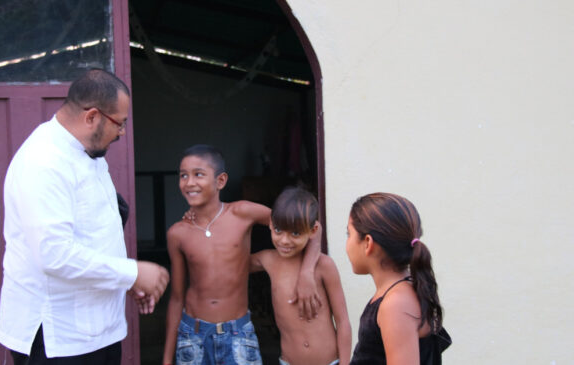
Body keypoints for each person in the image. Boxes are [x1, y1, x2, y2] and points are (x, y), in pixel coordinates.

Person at [0, 69, 170, 364]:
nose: (123, 132)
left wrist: (124, 281)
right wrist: (132, 272)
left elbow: (94, 233)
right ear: (91, 117)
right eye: (120, 123)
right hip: (58, 336)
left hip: (96, 330)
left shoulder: (87, 151)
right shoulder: (44, 162)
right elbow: (55, 254)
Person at [162, 145, 322, 365]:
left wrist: (307, 272)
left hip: (237, 335)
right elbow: (177, 297)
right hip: (192, 336)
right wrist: (167, 358)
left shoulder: (242, 213)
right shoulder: (177, 233)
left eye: (198, 174)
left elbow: (310, 228)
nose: (189, 182)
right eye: (183, 176)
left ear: (220, 181)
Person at [250, 187, 352, 365]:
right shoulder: (268, 260)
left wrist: (345, 363)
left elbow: (343, 321)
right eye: (278, 230)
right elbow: (230, 265)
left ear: (312, 231)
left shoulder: (324, 266)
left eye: (295, 233)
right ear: (270, 225)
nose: (284, 240)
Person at [345, 193, 451, 364]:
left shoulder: (396, 304)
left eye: (348, 234)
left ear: (367, 243)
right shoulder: (397, 293)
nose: (347, 242)